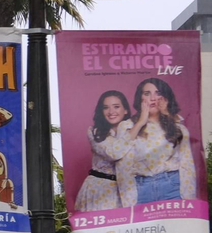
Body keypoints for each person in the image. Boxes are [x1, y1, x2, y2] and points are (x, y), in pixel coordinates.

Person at [106, 78, 198, 206]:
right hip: (141, 189)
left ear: (166, 97)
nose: (153, 98)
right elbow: (118, 158)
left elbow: (186, 164)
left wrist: (189, 199)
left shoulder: (178, 127)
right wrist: (141, 122)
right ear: (140, 98)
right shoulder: (127, 126)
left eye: (158, 93)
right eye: (147, 93)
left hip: (172, 187)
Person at [75, 90, 129, 212]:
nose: (111, 112)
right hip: (99, 188)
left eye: (116, 106)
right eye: (106, 108)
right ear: (101, 111)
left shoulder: (133, 130)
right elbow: (114, 153)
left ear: (125, 110)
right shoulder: (95, 132)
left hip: (126, 191)